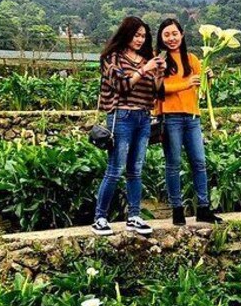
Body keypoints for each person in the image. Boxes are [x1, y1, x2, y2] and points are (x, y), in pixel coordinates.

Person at [92, 16, 164, 236]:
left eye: (143, 36)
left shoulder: (146, 58)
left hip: (143, 117)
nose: (140, 40)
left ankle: (134, 216)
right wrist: (144, 69)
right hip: (121, 116)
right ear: (126, 34)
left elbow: (156, 92)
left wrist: (158, 73)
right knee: (115, 169)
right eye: (136, 35)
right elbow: (122, 85)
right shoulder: (111, 57)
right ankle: (100, 218)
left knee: (136, 170)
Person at [155, 18, 223, 226]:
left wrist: (208, 78)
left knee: (199, 163)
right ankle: (177, 210)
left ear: (182, 35)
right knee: (173, 164)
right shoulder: (159, 60)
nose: (171, 38)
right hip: (170, 117)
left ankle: (203, 208)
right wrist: (185, 83)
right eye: (166, 35)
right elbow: (158, 89)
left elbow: (202, 90)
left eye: (174, 33)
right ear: (161, 38)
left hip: (192, 117)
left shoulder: (192, 59)